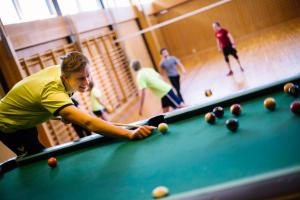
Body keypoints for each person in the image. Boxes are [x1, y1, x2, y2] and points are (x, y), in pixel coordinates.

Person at [0, 51, 155, 157]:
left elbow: (34, 102)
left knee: (39, 155)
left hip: (26, 121)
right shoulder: (52, 91)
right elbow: (88, 122)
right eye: (81, 78)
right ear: (65, 78)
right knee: (34, 162)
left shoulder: (65, 71)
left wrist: (61, 113)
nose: (87, 82)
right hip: (8, 126)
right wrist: (129, 133)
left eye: (88, 75)